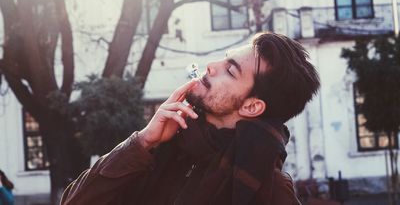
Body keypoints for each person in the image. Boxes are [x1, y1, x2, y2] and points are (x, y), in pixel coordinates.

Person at [61, 32, 320, 205]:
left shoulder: (268, 187)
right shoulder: (162, 147)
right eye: (224, 59)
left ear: (251, 106)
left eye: (230, 71)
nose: (211, 66)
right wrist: (142, 142)